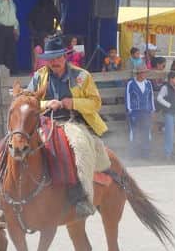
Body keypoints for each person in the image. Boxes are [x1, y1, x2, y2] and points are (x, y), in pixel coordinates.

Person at [28, 34, 114, 217]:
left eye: (57, 57)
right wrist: (46, 104)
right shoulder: (39, 77)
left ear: (64, 56)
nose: (54, 62)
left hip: (72, 121)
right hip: (45, 122)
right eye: (50, 59)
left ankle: (83, 197)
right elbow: (26, 101)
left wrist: (73, 103)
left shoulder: (82, 76)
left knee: (80, 147)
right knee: (21, 146)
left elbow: (96, 103)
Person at [125, 62, 155, 159]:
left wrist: (152, 109)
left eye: (145, 72)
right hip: (135, 112)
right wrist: (130, 110)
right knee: (134, 133)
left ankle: (145, 155)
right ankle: (133, 155)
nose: (144, 74)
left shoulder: (148, 83)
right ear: (138, 73)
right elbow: (128, 97)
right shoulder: (131, 83)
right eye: (142, 72)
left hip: (146, 111)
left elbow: (151, 97)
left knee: (146, 132)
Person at [156, 70, 175, 162]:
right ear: (171, 79)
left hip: (172, 112)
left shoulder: (172, 87)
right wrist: (168, 105)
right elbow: (159, 98)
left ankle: (168, 153)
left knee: (170, 133)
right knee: (169, 134)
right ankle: (167, 154)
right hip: (168, 112)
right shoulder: (165, 87)